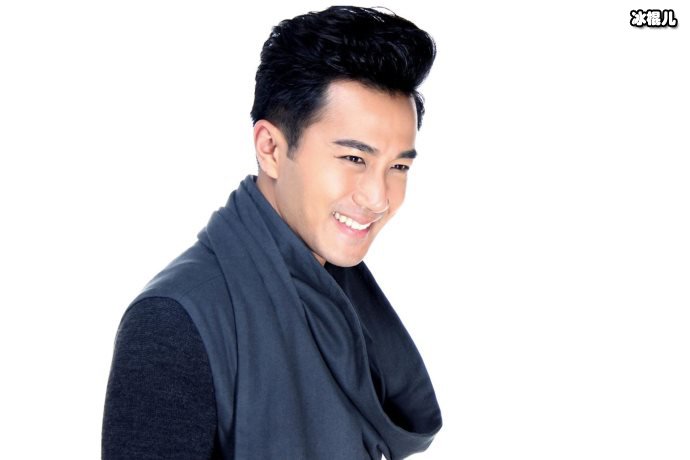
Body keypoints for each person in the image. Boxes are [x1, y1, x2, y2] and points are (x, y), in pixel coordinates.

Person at [102, 5, 442, 459]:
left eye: (398, 166)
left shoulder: (342, 304)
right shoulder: (174, 322)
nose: (378, 197)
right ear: (271, 149)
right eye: (354, 159)